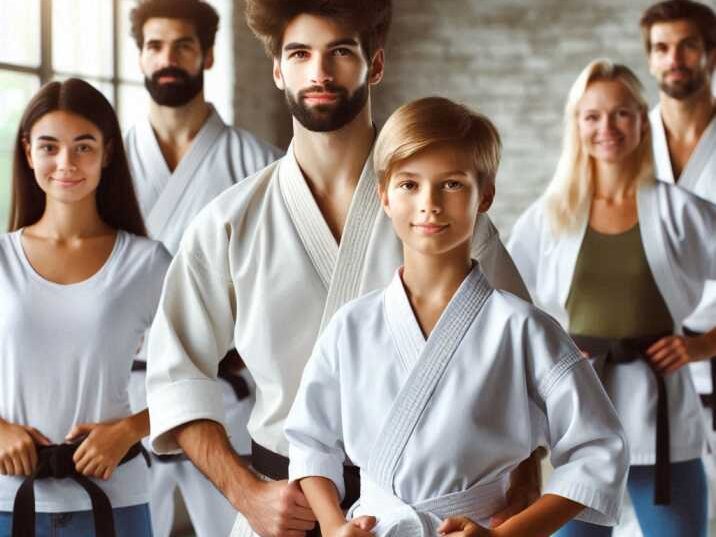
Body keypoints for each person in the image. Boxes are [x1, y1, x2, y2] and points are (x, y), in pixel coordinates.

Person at [144, 2, 542, 537]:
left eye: (340, 53)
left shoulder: (437, 212)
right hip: (284, 509)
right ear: (278, 69)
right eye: (300, 54)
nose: (320, 73)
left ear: (374, 65)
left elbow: (521, 364)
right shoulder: (229, 223)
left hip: (427, 512)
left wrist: (519, 486)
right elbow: (176, 375)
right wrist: (249, 495)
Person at [284, 96, 629, 537]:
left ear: (484, 195)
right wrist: (333, 526)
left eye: (451, 185)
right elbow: (310, 440)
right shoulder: (350, 326)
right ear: (384, 196)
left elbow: (598, 448)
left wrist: (508, 535)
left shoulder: (524, 329)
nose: (429, 204)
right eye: (409, 185)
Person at [508, 59, 716, 537]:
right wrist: (549, 357)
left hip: (664, 423)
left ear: (643, 121)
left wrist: (700, 346)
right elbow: (503, 305)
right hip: (582, 421)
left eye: (622, 113)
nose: (608, 127)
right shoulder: (551, 215)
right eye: (593, 115)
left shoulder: (680, 212)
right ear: (576, 125)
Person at [124, 1, 281, 535]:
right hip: (122, 396)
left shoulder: (259, 165)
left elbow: (280, 287)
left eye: (183, 45)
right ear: (140, 56)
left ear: (208, 55)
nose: (168, 58)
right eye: (154, 46)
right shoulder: (106, 162)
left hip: (226, 391)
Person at [0, 78, 171, 536]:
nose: (65, 163)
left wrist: (130, 429)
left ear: (107, 152)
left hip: (114, 499)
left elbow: (206, 370)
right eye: (49, 146)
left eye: (83, 146)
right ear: (28, 151)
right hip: (7, 500)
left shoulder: (146, 262)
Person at [640, 0, 716, 524]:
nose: (675, 59)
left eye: (688, 45)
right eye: (662, 48)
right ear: (649, 59)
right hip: (648, 365)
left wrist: (705, 345)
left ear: (711, 52)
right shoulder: (624, 141)